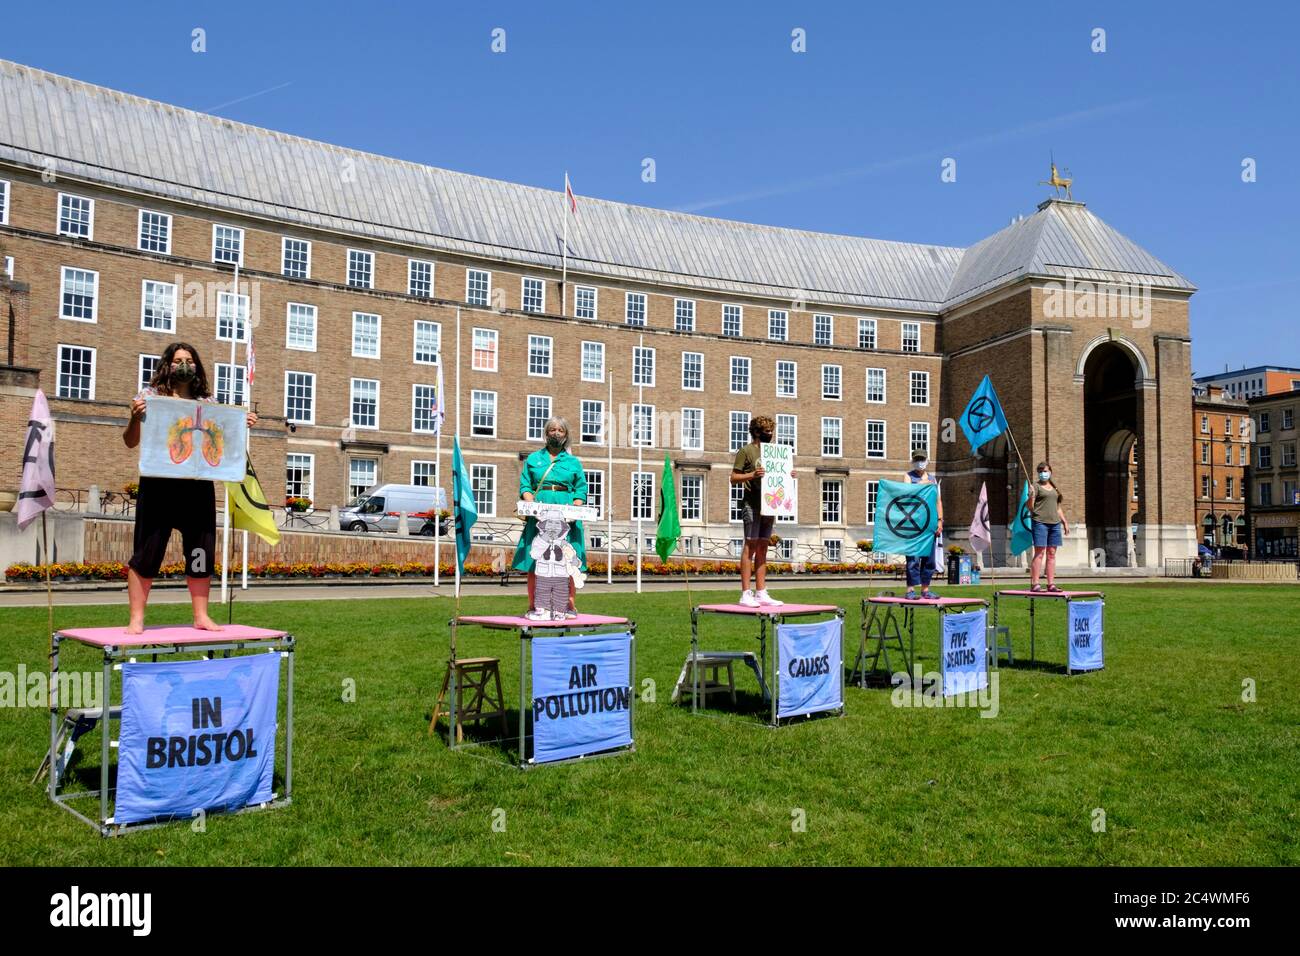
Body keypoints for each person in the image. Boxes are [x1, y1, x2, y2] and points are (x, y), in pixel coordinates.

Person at [122, 342, 257, 634]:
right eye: (178, 359)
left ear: (196, 366)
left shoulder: (207, 403)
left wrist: (239, 424)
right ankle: (136, 619)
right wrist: (135, 416)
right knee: (147, 552)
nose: (184, 364)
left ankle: (201, 616)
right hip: (158, 487)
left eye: (189, 359)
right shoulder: (149, 397)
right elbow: (130, 441)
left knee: (200, 551)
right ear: (167, 365)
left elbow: (221, 445)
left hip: (197, 489)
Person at [513, 416, 587, 620]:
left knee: (569, 560)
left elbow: (581, 490)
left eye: (560, 430)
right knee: (536, 560)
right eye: (552, 430)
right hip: (539, 518)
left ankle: (569, 606)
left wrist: (575, 511)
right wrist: (532, 504)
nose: (556, 433)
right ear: (546, 434)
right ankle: (534, 605)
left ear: (566, 435)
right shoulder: (533, 459)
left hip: (567, 517)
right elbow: (525, 486)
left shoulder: (573, 462)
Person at [730, 415, 788, 607]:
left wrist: (788, 475)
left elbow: (778, 477)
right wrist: (752, 474)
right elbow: (733, 477)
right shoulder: (746, 451)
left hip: (770, 505)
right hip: (752, 504)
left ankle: (761, 592)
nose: (770, 434)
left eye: (772, 431)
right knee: (750, 546)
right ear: (756, 432)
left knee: (763, 546)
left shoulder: (773, 453)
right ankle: (745, 593)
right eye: (766, 431)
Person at [902, 449, 943, 600]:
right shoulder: (908, 476)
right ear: (913, 461)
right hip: (912, 523)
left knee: (929, 559)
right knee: (913, 558)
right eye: (917, 459)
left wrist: (940, 520)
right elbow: (907, 493)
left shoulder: (933, 479)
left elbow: (938, 501)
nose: (920, 462)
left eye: (922, 459)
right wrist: (923, 483)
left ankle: (925, 589)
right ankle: (910, 590)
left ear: (927, 461)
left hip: (930, 523)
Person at [1028, 460, 1069, 592]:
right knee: (1040, 553)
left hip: (1055, 524)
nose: (1043, 474)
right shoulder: (1035, 486)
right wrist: (1031, 496)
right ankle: (1035, 583)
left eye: (1045, 471)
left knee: (1052, 554)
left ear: (1050, 472)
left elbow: (1058, 508)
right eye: (1040, 471)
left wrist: (1064, 522)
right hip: (1040, 522)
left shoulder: (1054, 488)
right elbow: (1030, 508)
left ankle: (1051, 584)